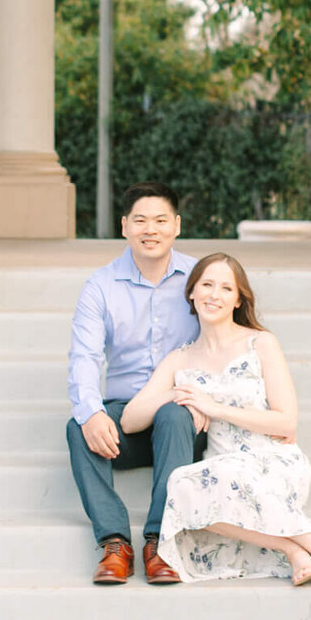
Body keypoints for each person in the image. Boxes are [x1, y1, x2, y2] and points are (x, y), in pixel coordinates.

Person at [120, 252, 311, 592]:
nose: (214, 295)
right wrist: (175, 394)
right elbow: (129, 421)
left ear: (238, 299)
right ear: (192, 292)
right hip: (221, 463)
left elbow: (286, 422)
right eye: (207, 285)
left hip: (271, 457)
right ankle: (291, 549)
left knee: (230, 477)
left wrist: (213, 407)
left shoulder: (260, 342)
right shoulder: (180, 358)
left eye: (226, 288)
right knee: (182, 484)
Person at [65, 181, 204, 586]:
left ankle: (159, 543)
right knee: (78, 425)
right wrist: (91, 411)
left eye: (161, 220)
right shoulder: (101, 287)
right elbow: (85, 358)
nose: (151, 229)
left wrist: (208, 399)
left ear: (176, 225)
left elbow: (225, 342)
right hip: (125, 419)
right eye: (140, 220)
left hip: (181, 421)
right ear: (124, 226)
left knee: (175, 415)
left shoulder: (200, 279)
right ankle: (114, 543)